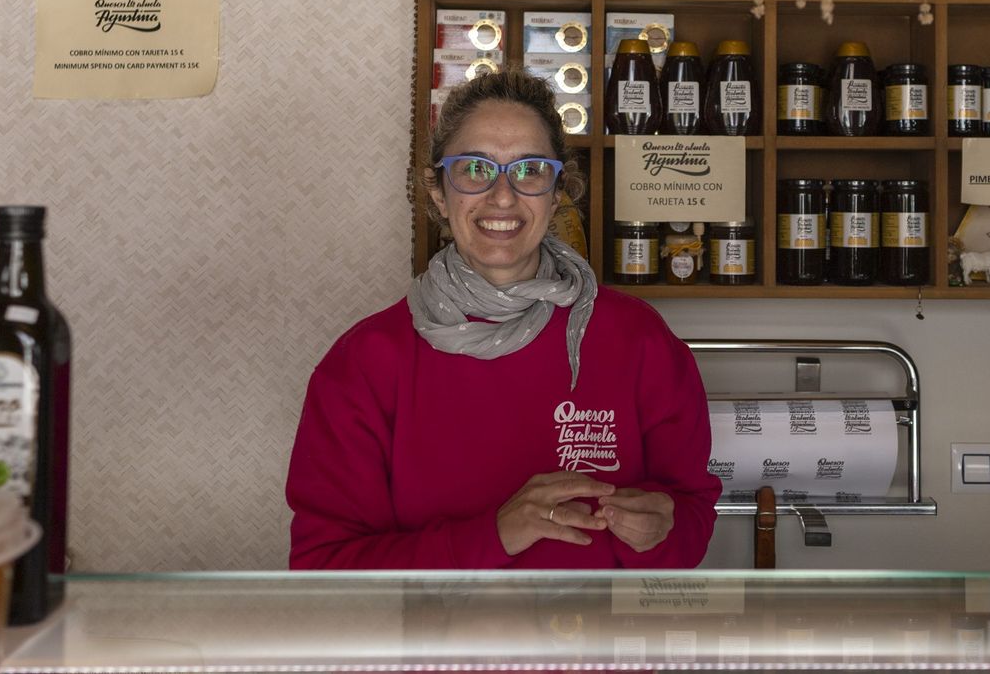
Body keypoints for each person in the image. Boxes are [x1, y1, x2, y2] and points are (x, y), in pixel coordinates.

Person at [286, 68, 721, 569]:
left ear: (557, 191)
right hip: (437, 646)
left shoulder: (638, 339)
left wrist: (662, 525)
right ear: (436, 191)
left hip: (599, 645)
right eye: (474, 169)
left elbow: (691, 520)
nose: (502, 197)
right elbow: (324, 569)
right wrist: (495, 534)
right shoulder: (366, 363)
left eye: (529, 170)